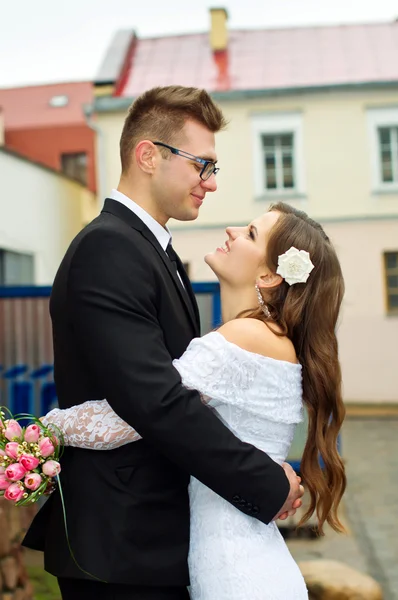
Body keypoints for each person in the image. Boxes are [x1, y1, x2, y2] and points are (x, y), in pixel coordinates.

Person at [22, 86, 304, 600]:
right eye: (203, 165)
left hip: (151, 540)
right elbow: (156, 400)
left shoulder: (150, 250)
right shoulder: (109, 248)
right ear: (148, 155)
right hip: (122, 545)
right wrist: (264, 482)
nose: (211, 184)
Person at [43, 202, 347, 600]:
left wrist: (41, 428)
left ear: (270, 275)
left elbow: (138, 413)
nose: (232, 230)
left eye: (251, 233)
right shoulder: (261, 337)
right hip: (233, 554)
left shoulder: (246, 337)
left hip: (236, 569)